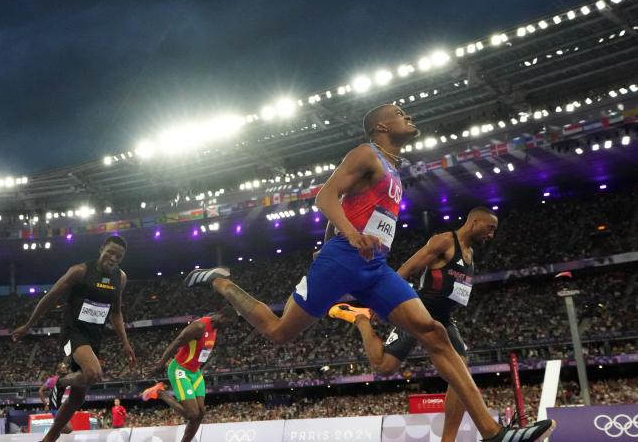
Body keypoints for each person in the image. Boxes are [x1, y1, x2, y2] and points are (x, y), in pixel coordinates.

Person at [184, 105, 555, 442]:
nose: (409, 115)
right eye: (400, 112)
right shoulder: (366, 153)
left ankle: (492, 433)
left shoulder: (394, 168)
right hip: (343, 261)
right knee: (279, 332)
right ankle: (223, 282)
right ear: (381, 125)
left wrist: (335, 234)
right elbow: (326, 197)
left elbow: (350, 206)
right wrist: (345, 236)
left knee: (434, 332)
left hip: (375, 268)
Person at [329, 207, 498, 442]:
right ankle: (360, 319)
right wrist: (383, 298)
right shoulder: (445, 242)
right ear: (475, 221)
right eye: (490, 228)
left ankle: (448, 439)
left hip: (445, 319)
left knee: (461, 371)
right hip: (419, 314)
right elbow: (409, 267)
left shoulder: (469, 254)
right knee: (384, 367)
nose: (491, 235)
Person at [11, 235, 136, 442]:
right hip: (73, 333)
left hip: (95, 338)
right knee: (94, 374)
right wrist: (29, 325)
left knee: (78, 397)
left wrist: (125, 343)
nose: (113, 258)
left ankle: (49, 438)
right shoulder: (80, 271)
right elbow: (51, 296)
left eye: (119, 256)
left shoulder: (120, 278)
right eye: (110, 252)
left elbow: (116, 312)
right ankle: (60, 383)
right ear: (101, 249)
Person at [141, 307, 238, 442]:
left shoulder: (215, 328)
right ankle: (160, 393)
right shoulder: (199, 327)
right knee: (192, 414)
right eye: (230, 323)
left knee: (200, 413)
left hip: (195, 372)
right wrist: (160, 364)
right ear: (223, 317)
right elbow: (177, 342)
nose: (230, 327)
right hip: (180, 370)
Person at [37, 362, 72, 434]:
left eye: (65, 367)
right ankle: (53, 431)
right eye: (62, 367)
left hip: (63, 407)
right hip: (56, 408)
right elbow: (40, 391)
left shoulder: (68, 379)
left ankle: (54, 430)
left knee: (68, 430)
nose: (65, 368)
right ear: (57, 370)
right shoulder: (52, 380)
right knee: (69, 429)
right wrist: (46, 405)